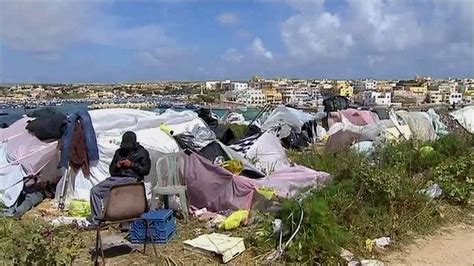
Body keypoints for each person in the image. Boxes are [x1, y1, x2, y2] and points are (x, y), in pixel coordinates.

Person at [89, 131, 151, 226]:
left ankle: (126, 216)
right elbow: (111, 171)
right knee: (95, 190)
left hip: (132, 179)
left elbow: (145, 170)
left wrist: (131, 164)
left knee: (119, 191)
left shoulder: (142, 153)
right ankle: (97, 220)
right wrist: (117, 166)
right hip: (116, 178)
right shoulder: (119, 152)